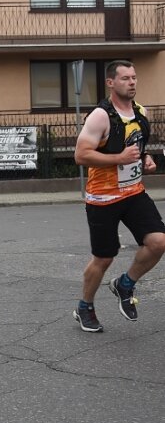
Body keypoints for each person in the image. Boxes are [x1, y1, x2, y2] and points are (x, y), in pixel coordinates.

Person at [72, 60, 165, 333]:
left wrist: (145, 159)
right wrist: (119, 159)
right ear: (110, 83)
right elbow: (81, 155)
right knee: (104, 258)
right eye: (125, 78)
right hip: (103, 199)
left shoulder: (140, 112)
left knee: (159, 242)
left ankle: (125, 284)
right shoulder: (100, 116)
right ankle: (85, 307)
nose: (132, 82)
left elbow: (136, 147)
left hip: (134, 193)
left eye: (134, 77)